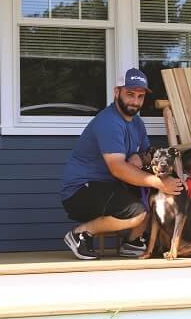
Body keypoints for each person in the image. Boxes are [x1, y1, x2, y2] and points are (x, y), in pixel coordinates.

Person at [60, 68, 183, 260]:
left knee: (149, 195)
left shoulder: (137, 123)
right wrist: (160, 182)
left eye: (140, 96)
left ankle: (133, 242)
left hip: (111, 185)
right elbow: (117, 167)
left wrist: (139, 158)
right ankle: (80, 234)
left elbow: (147, 154)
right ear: (117, 92)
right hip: (81, 191)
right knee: (138, 212)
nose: (135, 101)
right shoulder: (109, 122)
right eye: (130, 94)